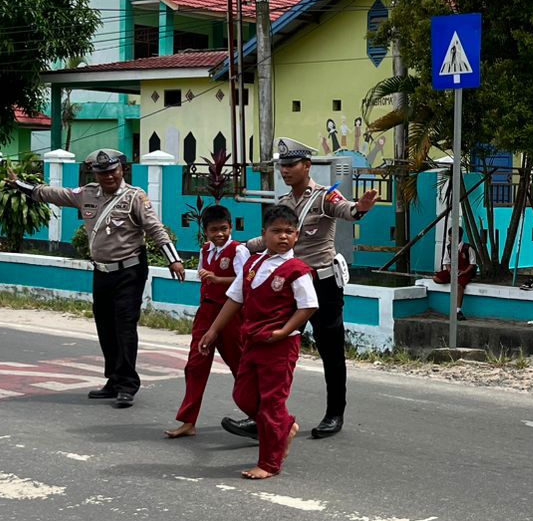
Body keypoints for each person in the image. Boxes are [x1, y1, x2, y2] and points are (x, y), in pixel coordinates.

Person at [222, 139, 378, 441]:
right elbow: (269, 236)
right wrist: (241, 246)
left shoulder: (323, 198)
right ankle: (264, 416)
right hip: (288, 287)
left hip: (321, 284)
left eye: (291, 165)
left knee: (330, 350)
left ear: (307, 166)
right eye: (282, 165)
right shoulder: (283, 203)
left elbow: (346, 210)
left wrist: (360, 208)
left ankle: (335, 414)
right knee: (273, 351)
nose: (285, 170)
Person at [16, 149, 185, 407]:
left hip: (130, 270)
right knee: (105, 326)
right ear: (95, 173)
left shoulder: (134, 197)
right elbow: (56, 194)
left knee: (124, 325)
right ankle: (114, 379)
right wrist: (21, 185)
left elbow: (155, 228)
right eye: (102, 172)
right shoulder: (87, 194)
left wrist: (173, 259)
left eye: (112, 171)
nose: (108, 176)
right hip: (102, 271)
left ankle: (128, 384)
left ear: (122, 170)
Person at [199, 204, 318, 479]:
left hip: (280, 345)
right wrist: (214, 330)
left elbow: (308, 306)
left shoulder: (297, 270)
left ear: (297, 236)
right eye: (276, 231)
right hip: (251, 341)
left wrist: (283, 331)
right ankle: (284, 427)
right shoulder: (253, 263)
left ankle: (269, 462)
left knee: (271, 404)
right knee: (243, 395)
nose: (283, 237)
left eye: (289, 232)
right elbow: (235, 298)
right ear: (264, 234)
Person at [164, 204, 247, 438]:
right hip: (207, 312)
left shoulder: (238, 251)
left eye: (223, 229)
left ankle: (260, 415)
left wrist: (218, 280)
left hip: (230, 313)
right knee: (195, 366)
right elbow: (204, 276)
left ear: (230, 227)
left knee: (240, 365)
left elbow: (244, 282)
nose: (219, 234)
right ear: (206, 231)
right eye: (214, 230)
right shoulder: (205, 250)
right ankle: (188, 420)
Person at [432, 227, 476, 321]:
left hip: (465, 271)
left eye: (451, 236)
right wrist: (451, 271)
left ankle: (457, 310)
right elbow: (446, 262)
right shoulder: (449, 248)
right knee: (436, 278)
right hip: (453, 271)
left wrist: (464, 271)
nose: (449, 238)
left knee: (459, 285)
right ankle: (453, 279)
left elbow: (472, 264)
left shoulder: (468, 248)